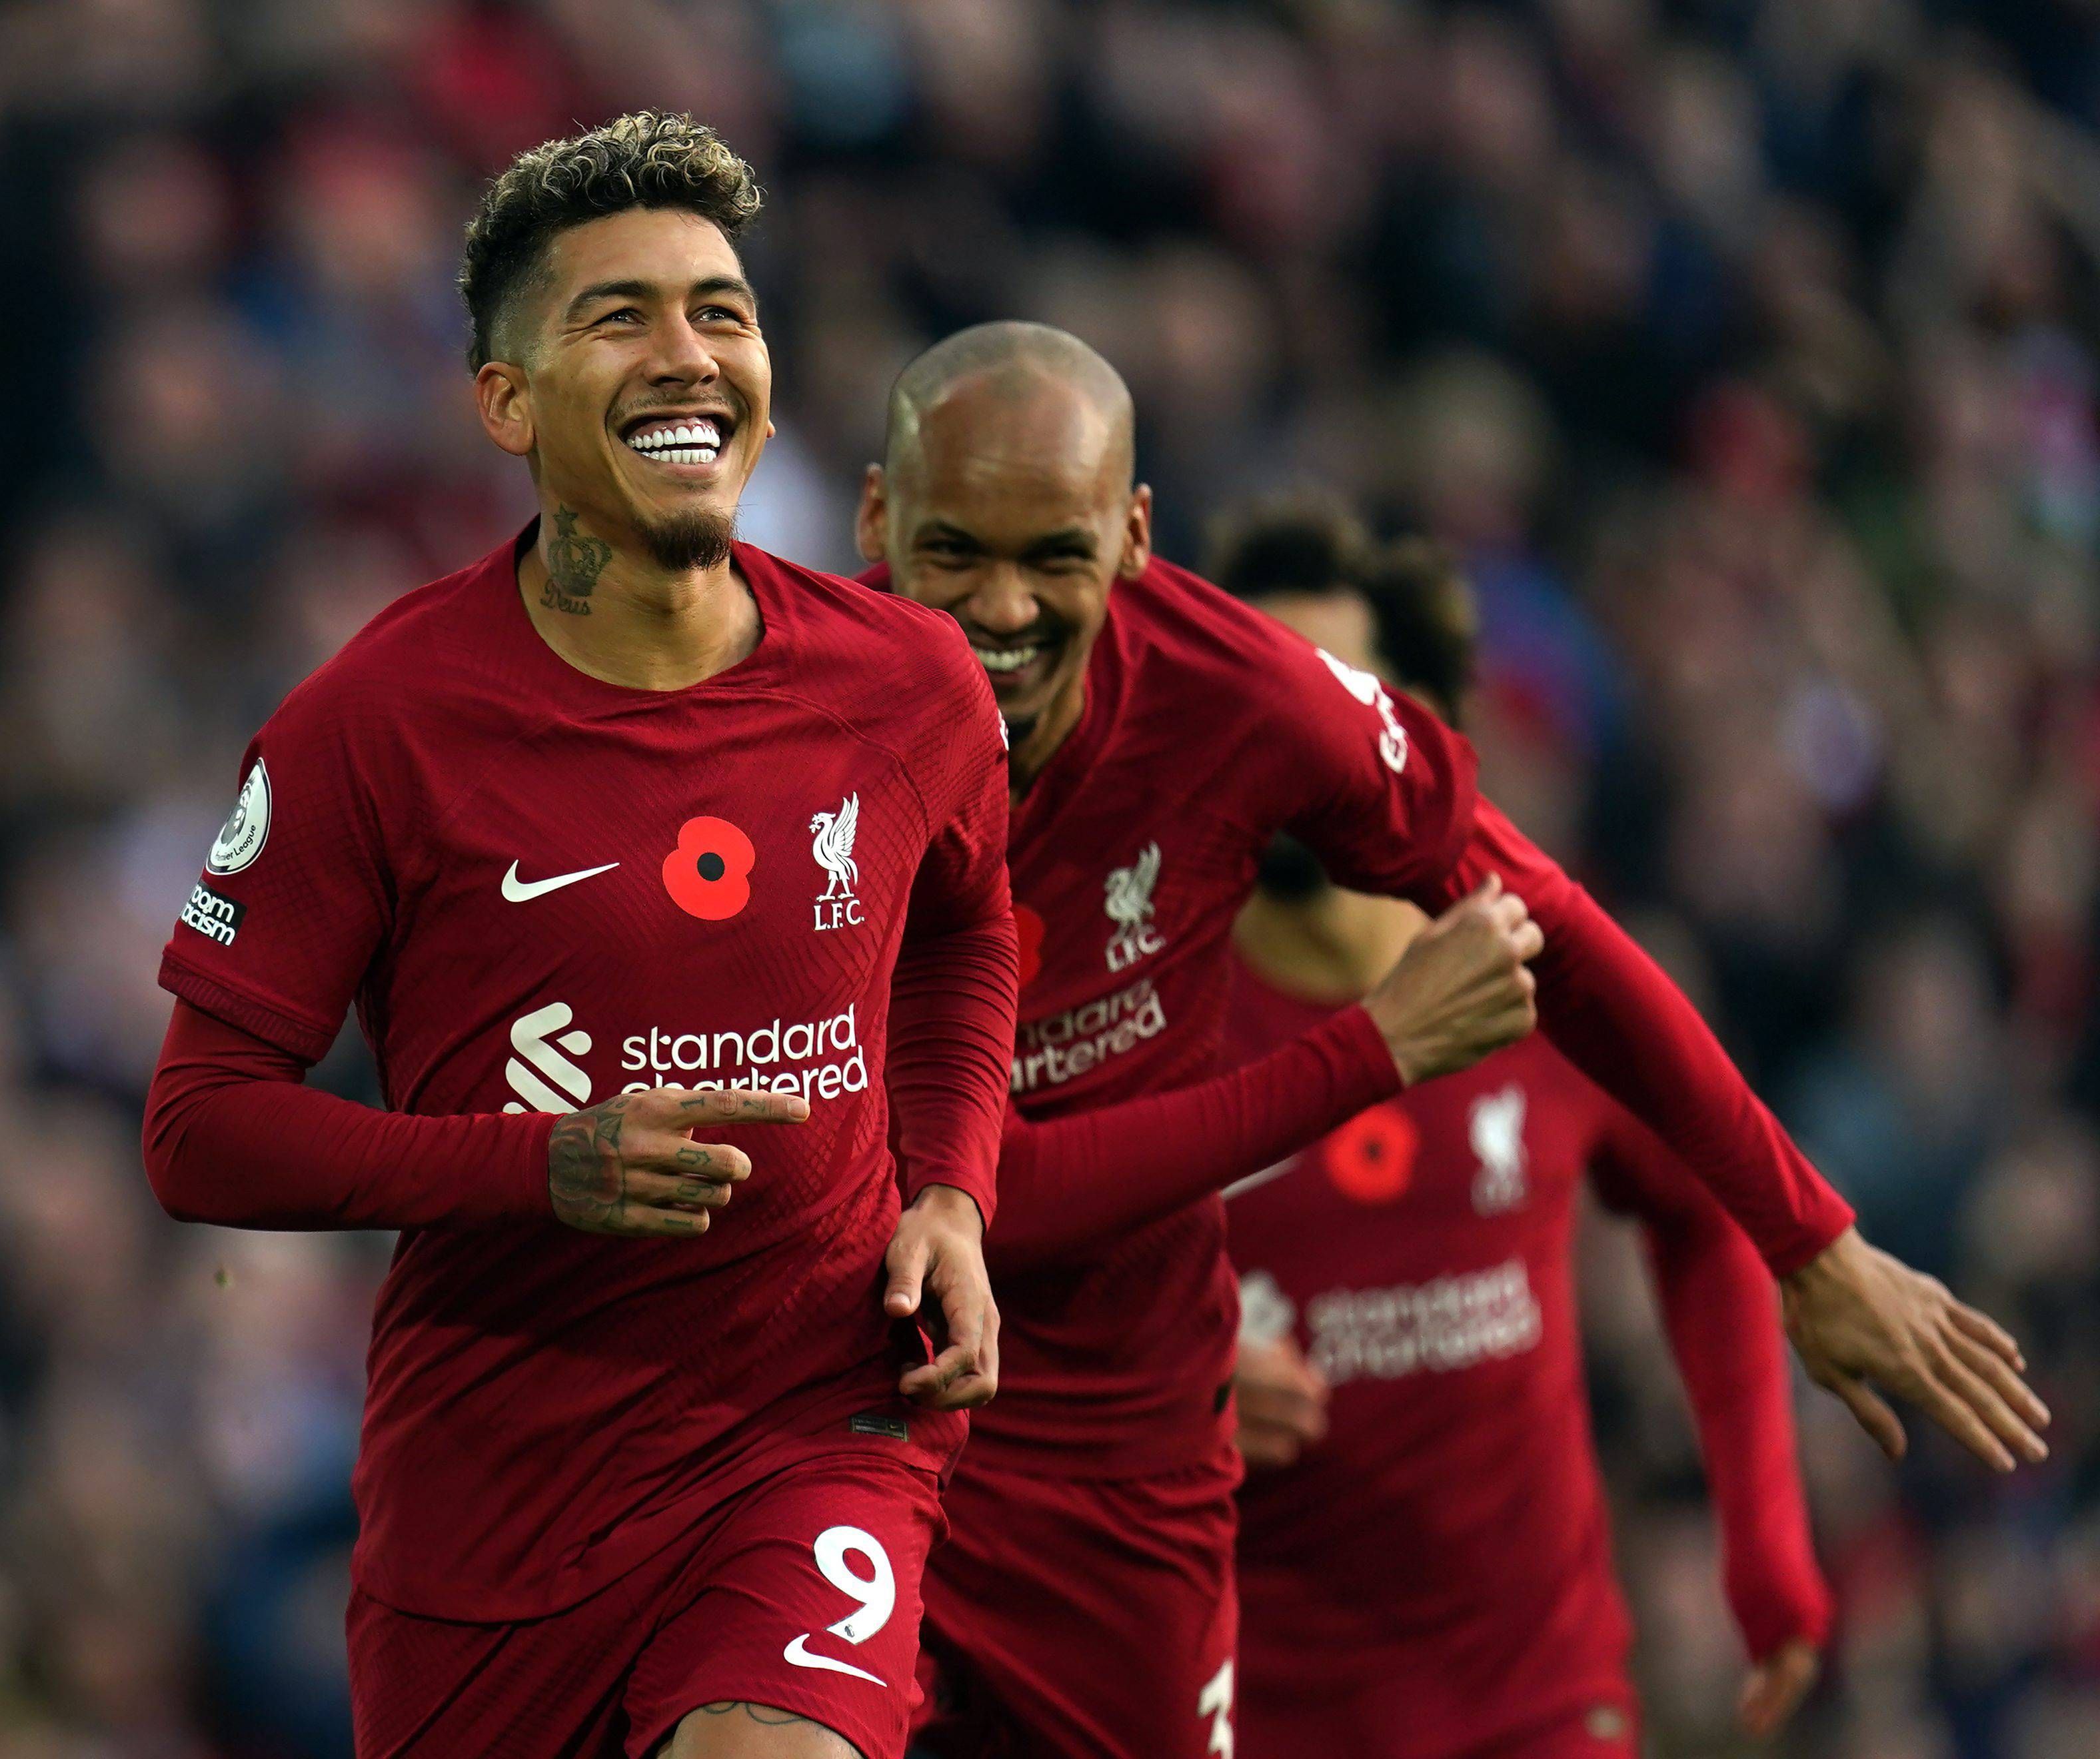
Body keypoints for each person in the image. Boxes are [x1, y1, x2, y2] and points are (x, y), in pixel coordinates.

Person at [853, 321, 2047, 1759]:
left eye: (1054, 554)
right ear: (877, 521)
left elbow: (1596, 1009)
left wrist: (1805, 1248)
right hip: (875, 1438)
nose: (1005, 606)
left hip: (1190, 1529)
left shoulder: (1274, 745)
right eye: (954, 552)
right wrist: (1362, 1063)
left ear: (1133, 537)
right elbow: (972, 1200)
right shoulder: (807, 739)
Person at [140, 113, 1022, 1759]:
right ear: (505, 401)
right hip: (499, 1496)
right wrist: (523, 1167)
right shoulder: (373, 726)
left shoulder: (911, 683)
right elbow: (198, 1133)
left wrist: (955, 1189)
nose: (689, 356)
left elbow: (968, 929)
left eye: (722, 311)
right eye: (620, 317)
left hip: (817, 1424)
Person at [1215, 508, 1829, 1759]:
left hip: (1537, 1706)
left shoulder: (1552, 985)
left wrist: (1764, 1548)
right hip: (1253, 1709)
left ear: (1420, 742)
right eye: (1251, 700)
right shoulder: (1138, 1015)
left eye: (1331, 704)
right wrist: (1158, 1395)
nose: (1281, 747)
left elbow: (1701, 1217)